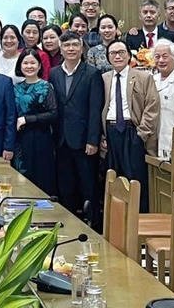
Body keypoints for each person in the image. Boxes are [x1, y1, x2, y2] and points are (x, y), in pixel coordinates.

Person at [50, 30, 103, 220]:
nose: (70, 48)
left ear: (81, 48)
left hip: (84, 141)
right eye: (66, 45)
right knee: (66, 186)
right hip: (61, 140)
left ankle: (92, 223)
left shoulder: (92, 73)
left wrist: (93, 140)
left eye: (74, 45)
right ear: (61, 49)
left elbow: (95, 109)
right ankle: (68, 222)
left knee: (88, 186)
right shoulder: (54, 73)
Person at [101, 39, 158, 213]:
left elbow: (152, 106)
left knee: (135, 179)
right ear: (108, 57)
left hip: (132, 132)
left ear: (129, 55)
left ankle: (138, 219)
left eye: (121, 52)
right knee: (113, 178)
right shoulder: (103, 78)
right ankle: (116, 219)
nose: (117, 56)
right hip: (110, 132)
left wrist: (141, 133)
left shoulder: (143, 77)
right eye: (113, 53)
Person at [13, 49, 57, 193]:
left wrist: (27, 119)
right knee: (21, 179)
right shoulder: (16, 88)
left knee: (41, 179)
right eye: (25, 63)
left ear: (39, 66)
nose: (29, 66)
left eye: (33, 63)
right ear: (20, 66)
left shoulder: (46, 86)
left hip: (41, 139)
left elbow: (53, 114)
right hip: (20, 140)